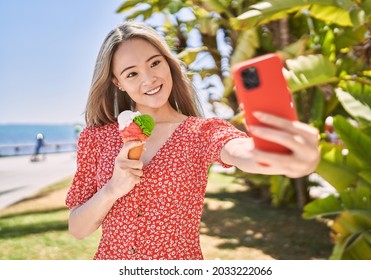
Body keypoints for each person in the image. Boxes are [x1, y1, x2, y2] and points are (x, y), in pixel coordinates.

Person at [65, 21, 320, 260]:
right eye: (131, 74)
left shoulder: (200, 133)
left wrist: (289, 159)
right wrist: (111, 190)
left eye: (155, 63)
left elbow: (239, 150)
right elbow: (77, 229)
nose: (149, 78)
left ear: (169, 64)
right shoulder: (96, 138)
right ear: (117, 82)